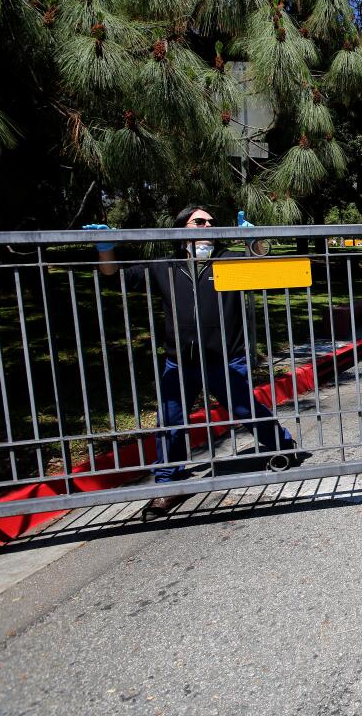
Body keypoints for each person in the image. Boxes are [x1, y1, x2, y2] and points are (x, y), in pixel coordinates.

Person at [84, 206, 306, 521]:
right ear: (181, 230)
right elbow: (114, 276)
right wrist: (106, 249)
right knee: (171, 420)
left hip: (226, 357)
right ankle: (167, 484)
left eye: (211, 222)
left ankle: (283, 448)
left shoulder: (228, 261)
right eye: (199, 221)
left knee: (246, 409)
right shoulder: (165, 266)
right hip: (181, 361)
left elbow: (263, 266)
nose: (207, 226)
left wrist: (253, 241)